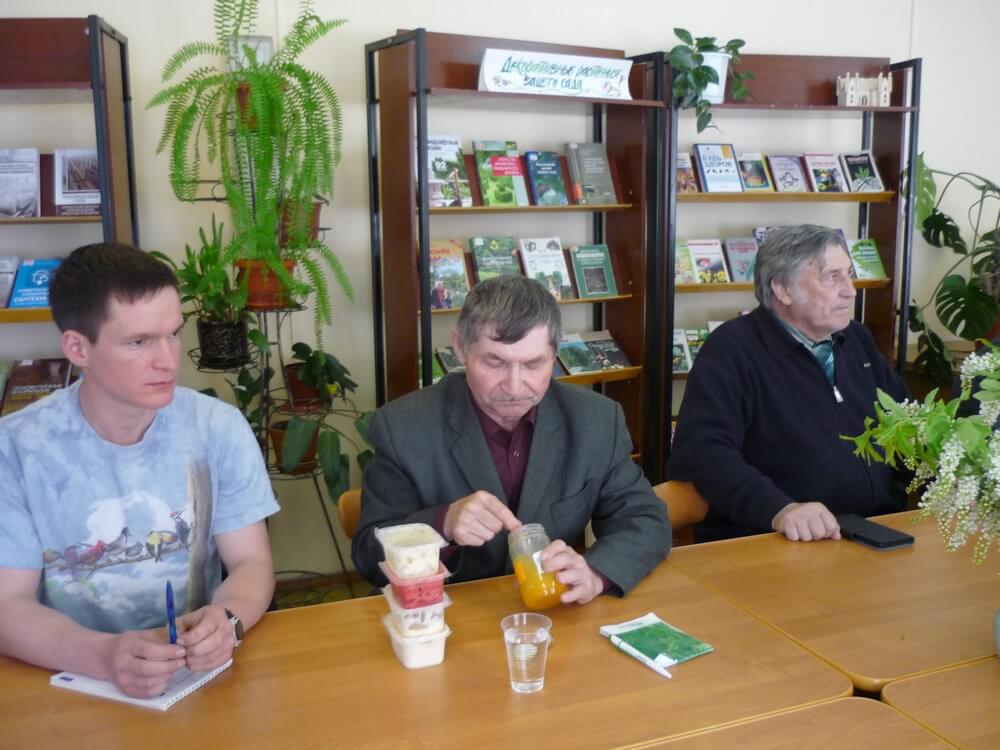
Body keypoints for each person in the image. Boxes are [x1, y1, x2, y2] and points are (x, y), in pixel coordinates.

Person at [0, 243, 279, 698]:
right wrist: (103, 655)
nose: (168, 360)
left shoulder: (217, 427)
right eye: (139, 342)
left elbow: (251, 562)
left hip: (198, 677)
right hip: (67, 683)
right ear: (78, 347)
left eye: (173, 334)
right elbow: (7, 605)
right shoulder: (14, 448)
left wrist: (227, 619)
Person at [352, 275, 670, 602]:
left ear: (555, 353)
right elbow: (368, 555)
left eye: (533, 364)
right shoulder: (403, 427)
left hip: (554, 612)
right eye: (495, 362)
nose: (515, 387)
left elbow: (645, 520)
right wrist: (441, 524)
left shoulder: (595, 420)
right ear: (460, 347)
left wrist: (595, 574)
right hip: (443, 614)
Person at [668, 225, 908, 542]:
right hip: (773, 539)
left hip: (875, 531)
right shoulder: (732, 349)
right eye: (832, 277)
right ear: (783, 289)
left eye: (849, 275)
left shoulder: (857, 340)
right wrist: (781, 509)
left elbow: (907, 423)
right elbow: (702, 453)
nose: (850, 290)